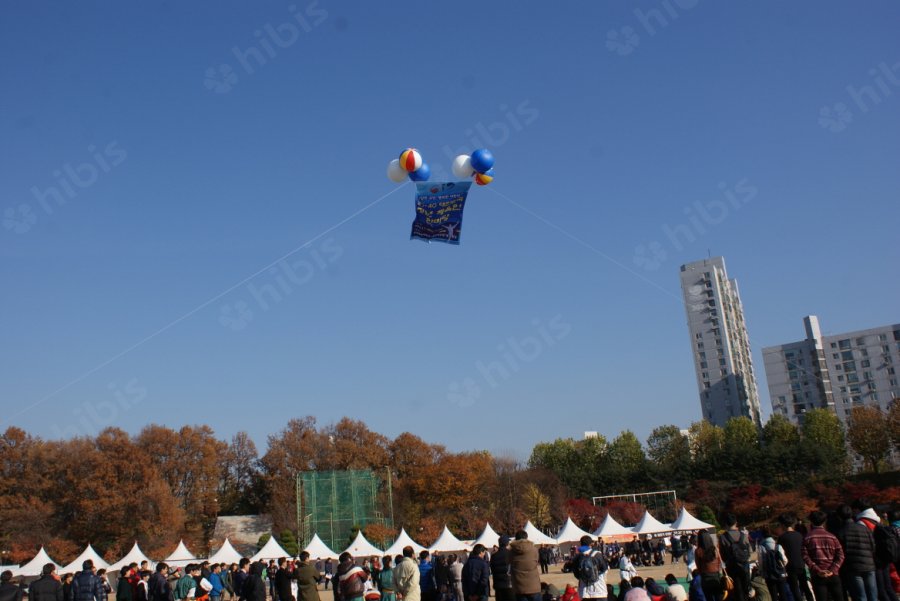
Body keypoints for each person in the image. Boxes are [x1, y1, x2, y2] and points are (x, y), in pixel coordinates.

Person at [854, 500, 899, 601]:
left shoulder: (862, 522)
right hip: (885, 555)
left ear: (857, 509)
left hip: (875, 558)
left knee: (881, 589)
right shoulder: (878, 519)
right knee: (888, 587)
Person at [837, 504, 878, 601]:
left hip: (853, 566)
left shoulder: (841, 531)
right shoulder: (863, 527)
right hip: (869, 564)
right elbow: (873, 545)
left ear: (839, 516)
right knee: (873, 595)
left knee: (860, 596)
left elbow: (841, 552)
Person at [802, 510, 844, 601]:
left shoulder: (807, 537)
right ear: (824, 521)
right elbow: (840, 555)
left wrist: (817, 570)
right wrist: (833, 569)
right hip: (833, 574)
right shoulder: (832, 536)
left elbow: (805, 556)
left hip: (818, 575)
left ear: (811, 521)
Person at [777, 515, 814, 601]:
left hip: (790, 566)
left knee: (795, 589)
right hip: (801, 563)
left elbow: (780, 553)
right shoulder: (799, 535)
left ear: (783, 525)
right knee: (805, 586)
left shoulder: (782, 538)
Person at [718, 515, 751, 601]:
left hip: (731, 567)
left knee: (736, 591)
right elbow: (749, 551)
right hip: (744, 566)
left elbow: (722, 554)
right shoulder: (743, 535)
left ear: (726, 524)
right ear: (736, 523)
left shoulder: (723, 537)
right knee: (746, 588)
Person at [757, 526, 790, 601]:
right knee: (783, 594)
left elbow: (761, 562)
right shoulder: (778, 546)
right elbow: (785, 560)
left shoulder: (761, 546)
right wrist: (780, 566)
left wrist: (762, 572)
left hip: (769, 575)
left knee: (773, 595)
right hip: (780, 574)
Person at [572, 536, 608, 601]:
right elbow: (604, 568)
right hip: (599, 589)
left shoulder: (577, 557)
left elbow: (576, 574)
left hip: (584, 591)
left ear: (581, 544)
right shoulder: (597, 554)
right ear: (591, 544)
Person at [510, 531, 541, 601]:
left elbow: (508, 561)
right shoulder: (534, 550)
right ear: (526, 538)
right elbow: (536, 561)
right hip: (534, 585)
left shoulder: (511, 551)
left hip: (519, 586)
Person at [694, 531, 722, 601]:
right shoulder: (715, 549)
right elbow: (719, 562)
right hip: (716, 576)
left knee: (709, 598)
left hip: (705, 577)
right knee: (718, 597)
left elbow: (698, 566)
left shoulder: (698, 551)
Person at [490, 536, 513, 601]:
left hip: (498, 585)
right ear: (507, 544)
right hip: (509, 584)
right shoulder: (510, 554)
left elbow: (492, 569)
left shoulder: (494, 556)